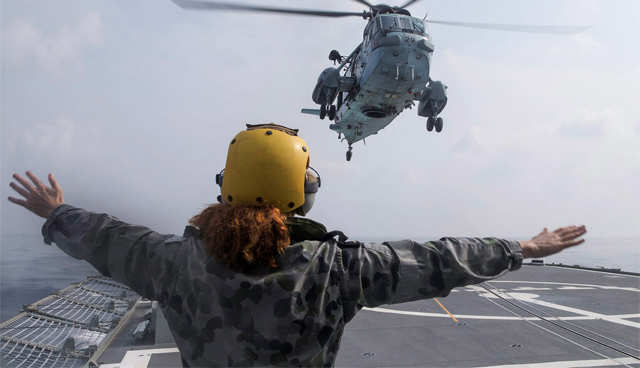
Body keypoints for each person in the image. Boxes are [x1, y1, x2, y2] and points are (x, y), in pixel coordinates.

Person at [8, 123, 587, 367]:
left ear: (226, 186)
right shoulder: (337, 270)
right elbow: (437, 260)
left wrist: (58, 214)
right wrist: (524, 248)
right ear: (302, 195)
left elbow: (110, 239)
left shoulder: (173, 263)